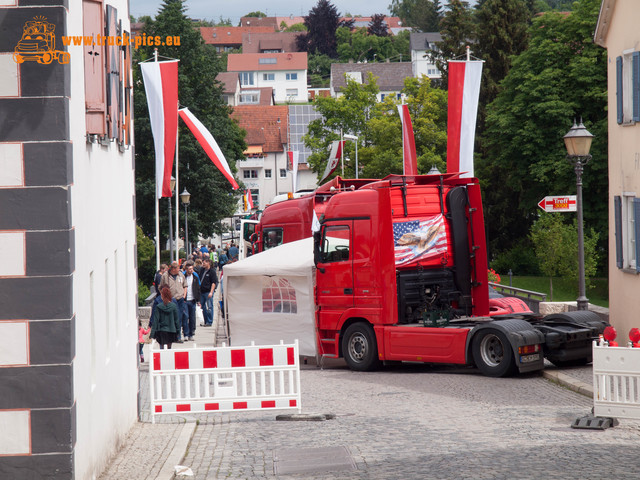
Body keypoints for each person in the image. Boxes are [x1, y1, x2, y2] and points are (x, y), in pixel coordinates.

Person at [159, 261, 187, 343]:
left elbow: (185, 286)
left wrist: (184, 295)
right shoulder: (165, 276)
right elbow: (160, 287)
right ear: (173, 269)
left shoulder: (181, 275)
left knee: (179, 318)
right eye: (178, 268)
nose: (179, 270)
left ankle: (178, 336)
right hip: (171, 300)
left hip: (180, 299)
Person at [182, 261, 200, 341]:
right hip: (185, 300)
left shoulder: (195, 277)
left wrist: (198, 300)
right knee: (185, 317)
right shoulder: (183, 277)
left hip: (192, 300)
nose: (191, 270)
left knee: (192, 318)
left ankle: (191, 333)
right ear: (186, 269)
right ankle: (186, 333)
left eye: (192, 269)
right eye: (189, 269)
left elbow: (198, 289)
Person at [199, 257, 218, 327]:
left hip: (208, 291)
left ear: (208, 263)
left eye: (205, 262)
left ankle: (209, 321)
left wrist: (211, 292)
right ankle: (205, 320)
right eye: (203, 262)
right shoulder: (202, 270)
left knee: (209, 307)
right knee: (202, 307)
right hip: (201, 291)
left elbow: (213, 282)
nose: (203, 263)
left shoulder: (212, 271)